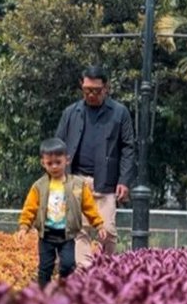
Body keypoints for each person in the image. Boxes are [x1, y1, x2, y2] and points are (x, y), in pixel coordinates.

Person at [55, 65, 134, 267]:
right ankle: (84, 272)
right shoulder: (71, 113)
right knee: (79, 230)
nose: (91, 95)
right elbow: (58, 144)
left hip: (106, 182)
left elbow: (128, 148)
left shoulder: (119, 113)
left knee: (107, 230)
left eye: (96, 91)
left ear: (106, 88)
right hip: (77, 181)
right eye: (87, 90)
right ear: (82, 87)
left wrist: (124, 180)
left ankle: (107, 269)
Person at [17, 137, 107, 288]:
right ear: (43, 163)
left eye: (58, 162)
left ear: (67, 160)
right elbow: (30, 208)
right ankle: (43, 296)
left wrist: (99, 225)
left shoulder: (77, 185)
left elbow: (89, 207)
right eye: (49, 163)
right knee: (45, 268)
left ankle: (65, 291)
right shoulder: (39, 186)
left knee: (68, 265)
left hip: (67, 235)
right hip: (46, 235)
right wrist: (23, 227)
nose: (54, 166)